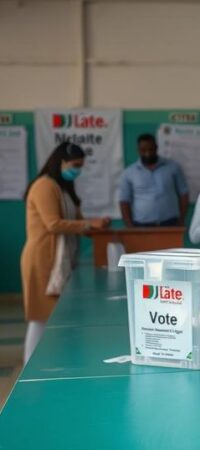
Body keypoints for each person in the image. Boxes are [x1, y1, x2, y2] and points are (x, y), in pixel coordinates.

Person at [21, 143, 110, 363]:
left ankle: (52, 360)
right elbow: (53, 224)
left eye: (81, 166)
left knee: (55, 315)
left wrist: (96, 228)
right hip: (43, 258)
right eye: (75, 165)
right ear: (60, 162)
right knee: (40, 316)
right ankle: (30, 365)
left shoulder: (64, 188)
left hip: (60, 258)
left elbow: (78, 223)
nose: (78, 170)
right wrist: (90, 224)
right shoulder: (44, 186)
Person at [119, 133, 189, 227]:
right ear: (138, 150)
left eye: (150, 149)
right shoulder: (129, 173)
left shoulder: (173, 167)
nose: (147, 153)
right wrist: (129, 226)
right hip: (141, 226)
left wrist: (181, 220)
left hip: (170, 223)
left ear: (156, 148)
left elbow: (184, 193)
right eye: (143, 150)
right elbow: (124, 201)